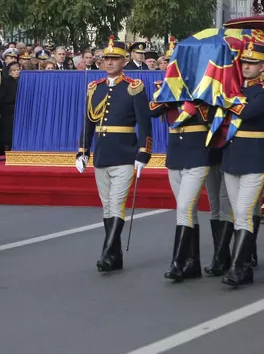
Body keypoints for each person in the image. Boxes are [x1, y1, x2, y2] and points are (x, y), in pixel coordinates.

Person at [75, 37, 152, 273]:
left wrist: (143, 153)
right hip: (102, 154)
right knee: (107, 207)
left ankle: (106, 253)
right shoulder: (95, 88)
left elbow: (144, 124)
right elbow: (88, 123)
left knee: (117, 204)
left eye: (114, 59)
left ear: (124, 61)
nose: (109, 62)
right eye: (106, 58)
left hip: (125, 154)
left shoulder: (133, 87)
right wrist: (83, 151)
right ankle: (115, 256)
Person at [220, 43, 264, 287]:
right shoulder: (233, 89)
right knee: (239, 214)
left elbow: (246, 111)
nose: (246, 66)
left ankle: (237, 268)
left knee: (244, 212)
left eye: (253, 63)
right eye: (244, 62)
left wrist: (225, 101)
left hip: (254, 158)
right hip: (231, 157)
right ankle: (244, 266)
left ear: (262, 67)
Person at [149, 92, 219, 283]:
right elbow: (152, 110)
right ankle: (192, 262)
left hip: (197, 154)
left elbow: (212, 116)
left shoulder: (206, 90)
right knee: (189, 211)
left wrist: (193, 101)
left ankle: (177, 263)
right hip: (176, 154)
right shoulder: (168, 90)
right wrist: (170, 95)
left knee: (183, 209)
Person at [0, 62, 20, 156]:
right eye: (14, 70)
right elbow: (0, 98)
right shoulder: (5, 82)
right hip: (8, 112)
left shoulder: (22, 81)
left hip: (18, 112)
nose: (17, 72)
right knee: (7, 135)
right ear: (10, 72)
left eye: (18, 70)